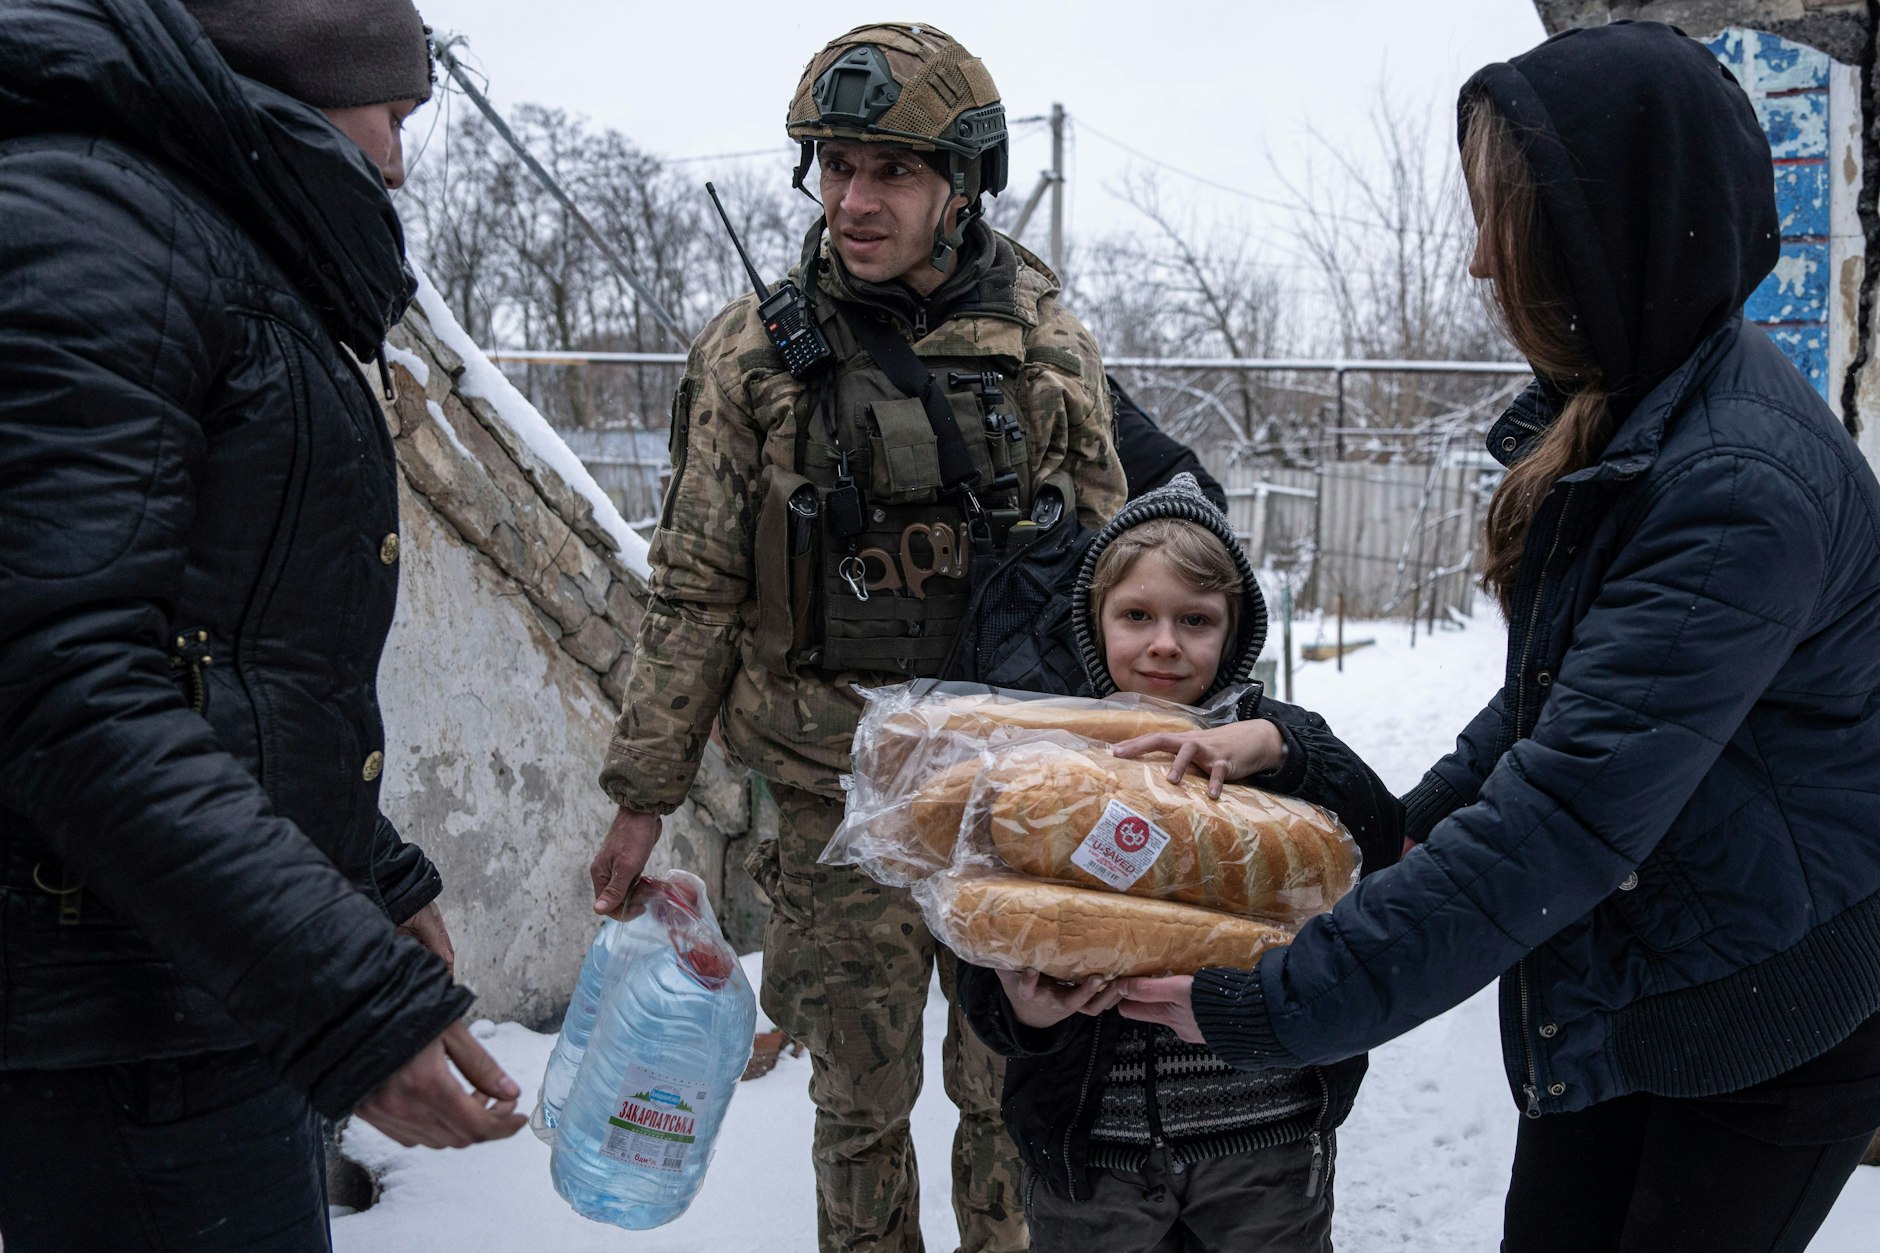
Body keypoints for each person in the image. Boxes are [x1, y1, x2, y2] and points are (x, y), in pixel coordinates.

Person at [1113, 21, 1880, 1253]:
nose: (1478, 261)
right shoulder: (1637, 410)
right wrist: (1402, 815)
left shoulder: (1734, 485)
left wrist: (1270, 1002)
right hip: (1642, 962)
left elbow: (1562, 815)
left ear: (1610, 228)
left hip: (1760, 1012)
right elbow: (1561, 702)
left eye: (1503, 221)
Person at [589, 21, 1127, 1252]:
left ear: (960, 183)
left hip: (1005, 793)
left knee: (1008, 1094)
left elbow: (1106, 574)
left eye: (888, 170)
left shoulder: (1043, 345)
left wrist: (1128, 765)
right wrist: (640, 791)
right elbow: (697, 584)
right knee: (857, 1103)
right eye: (834, 166)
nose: (852, 199)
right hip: (831, 798)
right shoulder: (752, 355)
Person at [0, 1, 527, 1249]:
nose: (396, 161)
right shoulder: (88, 229)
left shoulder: (196, 235)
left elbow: (240, 656)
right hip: (125, 1033)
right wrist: (343, 995)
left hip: (205, 989)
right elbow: (65, 683)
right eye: (393, 115)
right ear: (299, 71)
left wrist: (368, 873)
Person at [951, 473, 1401, 1251]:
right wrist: (1024, 1009)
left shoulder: (1274, 739)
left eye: (1195, 619)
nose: (1165, 641)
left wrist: (1276, 745)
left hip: (1267, 1142)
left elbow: (1380, 831)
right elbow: (983, 967)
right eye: (1137, 615)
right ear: (1096, 626)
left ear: (1233, 633)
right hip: (1095, 1159)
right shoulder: (1045, 767)